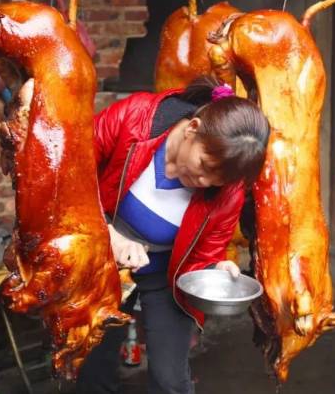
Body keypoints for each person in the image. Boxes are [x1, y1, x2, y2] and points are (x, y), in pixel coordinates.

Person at [77, 76, 270, 394]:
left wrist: (215, 267)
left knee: (170, 379)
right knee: (92, 365)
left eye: (218, 179)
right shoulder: (136, 118)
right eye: (204, 164)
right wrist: (107, 233)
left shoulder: (229, 191)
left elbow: (206, 253)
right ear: (193, 128)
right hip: (103, 257)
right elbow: (71, 170)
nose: (205, 181)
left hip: (167, 274)